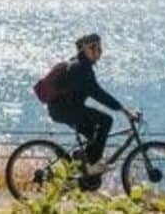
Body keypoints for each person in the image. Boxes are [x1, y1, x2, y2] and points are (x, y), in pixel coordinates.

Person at [47, 33, 140, 175]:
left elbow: (95, 92)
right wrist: (124, 110)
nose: (98, 52)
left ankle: (79, 166)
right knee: (106, 120)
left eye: (99, 49)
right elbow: (98, 93)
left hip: (64, 109)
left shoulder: (81, 64)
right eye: (93, 48)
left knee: (94, 136)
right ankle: (91, 165)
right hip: (65, 109)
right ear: (84, 49)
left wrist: (122, 108)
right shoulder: (81, 68)